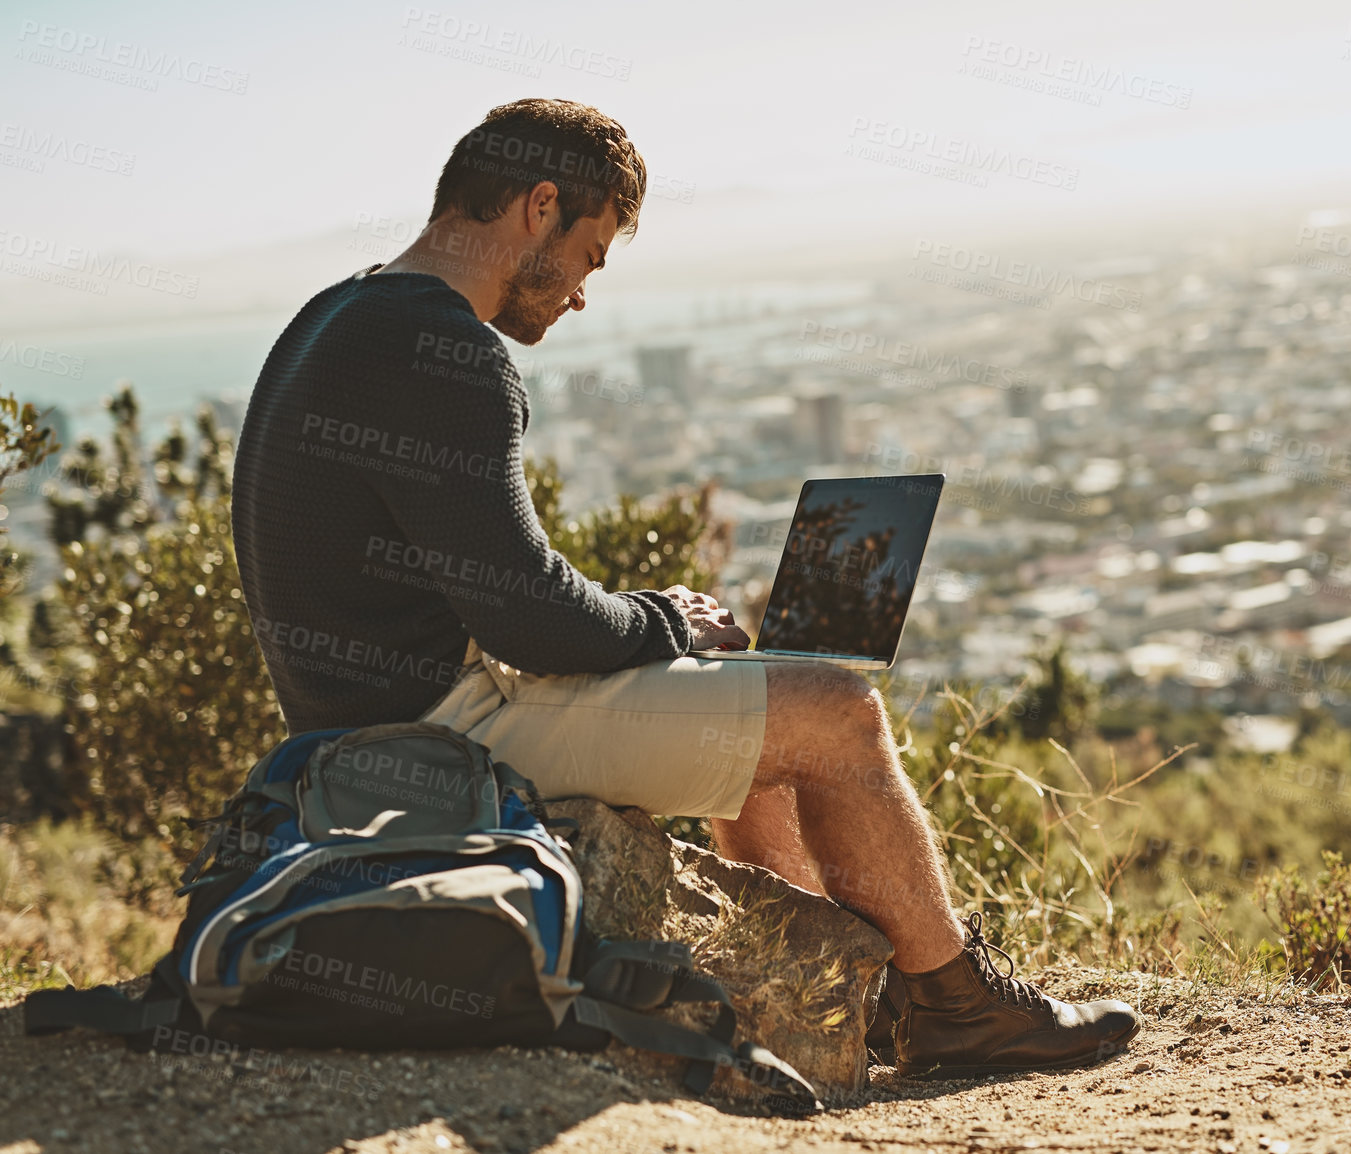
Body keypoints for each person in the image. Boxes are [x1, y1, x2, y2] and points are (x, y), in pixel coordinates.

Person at [230, 97, 1137, 1077]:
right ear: (539, 206)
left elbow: (496, 592)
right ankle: (956, 1009)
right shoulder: (450, 350)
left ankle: (849, 989)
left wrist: (660, 633)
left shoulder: (337, 314)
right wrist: (664, 616)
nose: (581, 291)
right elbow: (527, 616)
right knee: (835, 710)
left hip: (365, 723)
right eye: (592, 253)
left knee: (750, 700)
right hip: (439, 733)